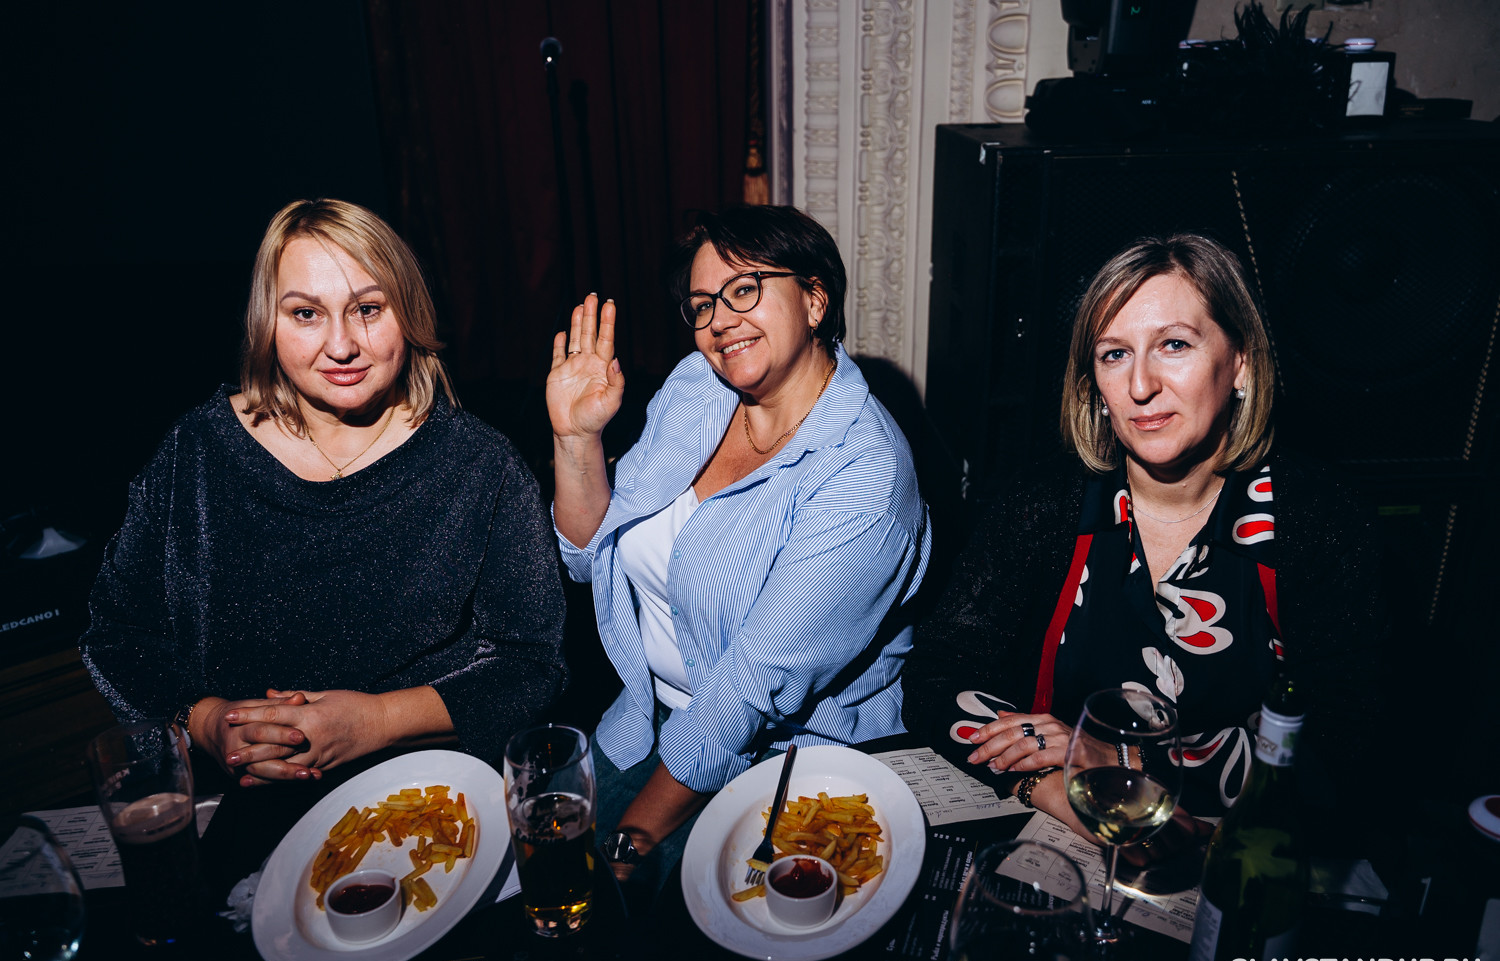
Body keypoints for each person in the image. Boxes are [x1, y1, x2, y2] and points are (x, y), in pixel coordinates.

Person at [903, 232, 1383, 852]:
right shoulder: (1046, 503)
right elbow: (938, 673)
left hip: (1237, 854)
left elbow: (1343, 751)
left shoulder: (1315, 519)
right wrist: (1046, 782)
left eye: (1174, 345)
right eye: (1114, 354)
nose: (1140, 386)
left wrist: (1120, 759)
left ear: (1240, 361)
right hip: (1066, 834)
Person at [82, 199, 568, 786]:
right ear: (267, 322)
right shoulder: (198, 452)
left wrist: (378, 721)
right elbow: (118, 634)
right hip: (242, 802)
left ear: (408, 312)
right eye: (306, 313)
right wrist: (208, 723)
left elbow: (531, 664)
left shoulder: (480, 465)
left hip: (428, 796)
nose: (341, 346)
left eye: (367, 309)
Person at [547, 205, 931, 885]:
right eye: (702, 304)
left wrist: (629, 846)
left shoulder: (866, 473)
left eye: (745, 289)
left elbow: (747, 692)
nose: (719, 320)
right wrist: (576, 439)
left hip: (781, 762)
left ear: (814, 299)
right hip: (642, 720)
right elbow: (588, 559)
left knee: (619, 912)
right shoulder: (698, 387)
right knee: (525, 871)